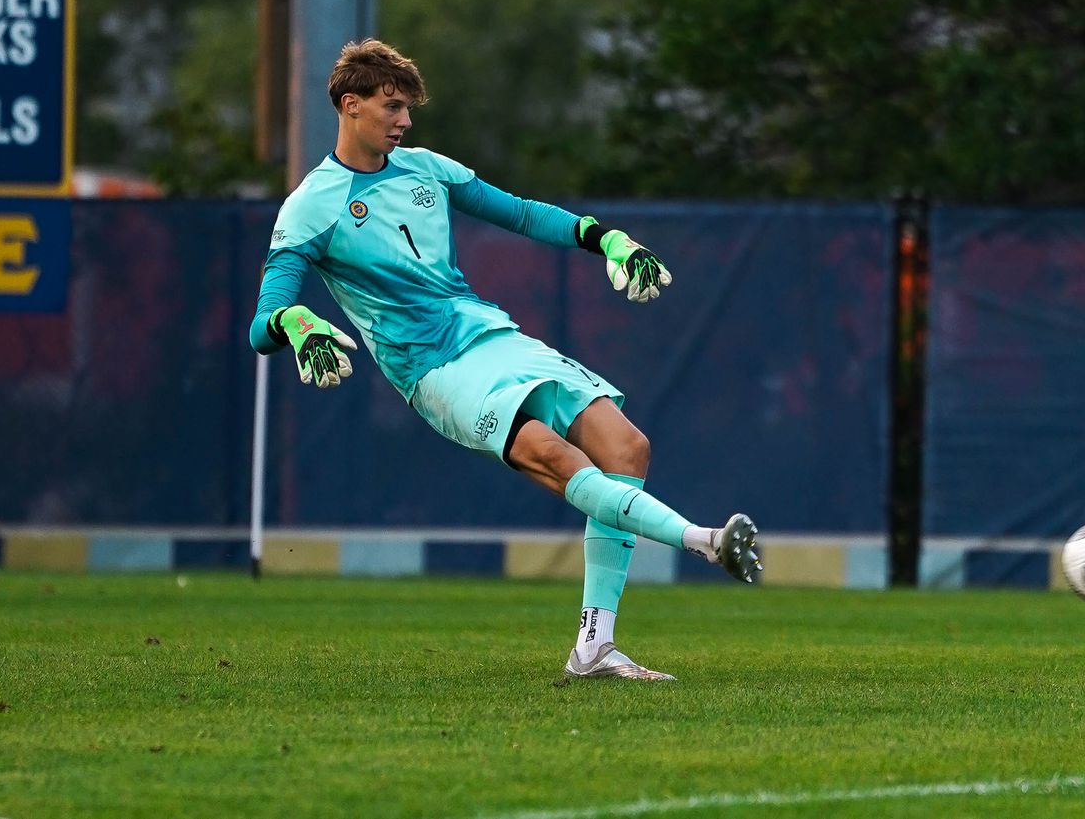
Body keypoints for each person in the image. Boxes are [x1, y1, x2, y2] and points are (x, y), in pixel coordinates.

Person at [249, 39, 760, 681]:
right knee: (554, 454)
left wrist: (609, 240)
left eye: (407, 108)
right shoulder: (310, 206)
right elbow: (262, 320)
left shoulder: (425, 169)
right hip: (433, 370)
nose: (405, 121)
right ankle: (706, 542)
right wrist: (295, 324)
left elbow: (519, 213)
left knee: (627, 447)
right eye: (392, 107)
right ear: (350, 107)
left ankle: (594, 648)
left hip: (492, 335)